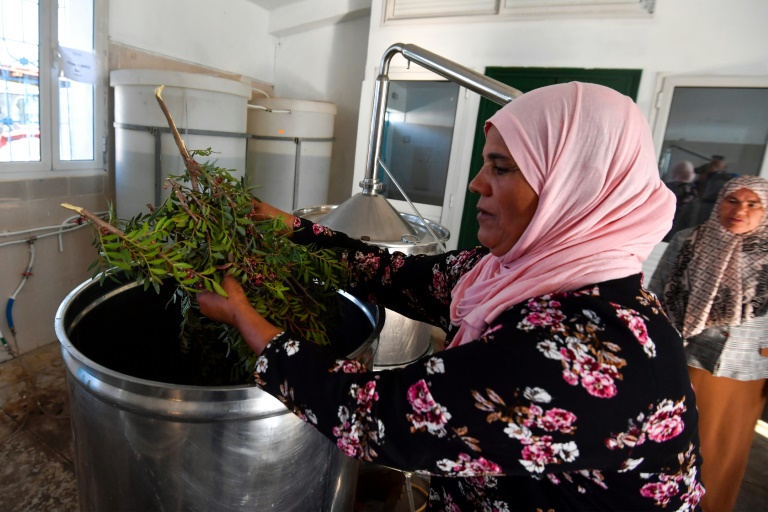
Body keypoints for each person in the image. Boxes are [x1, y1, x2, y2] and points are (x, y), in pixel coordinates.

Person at [198, 82, 704, 510]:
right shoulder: (515, 272)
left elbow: (385, 417)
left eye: (501, 168)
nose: (474, 183)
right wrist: (293, 230)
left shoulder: (590, 349)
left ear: (576, 185)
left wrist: (250, 323)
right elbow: (393, 274)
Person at [650, 175, 768, 512]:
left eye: (752, 204)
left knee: (722, 451)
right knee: (670, 443)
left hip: (743, 372)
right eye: (732, 200)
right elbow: (657, 296)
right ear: (719, 202)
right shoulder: (689, 240)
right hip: (683, 360)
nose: (739, 210)